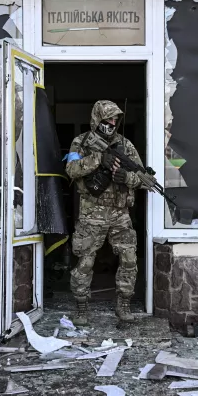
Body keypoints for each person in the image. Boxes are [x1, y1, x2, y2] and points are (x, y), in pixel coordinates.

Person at [65, 100, 145, 326]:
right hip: (92, 213)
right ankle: (81, 306)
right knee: (86, 261)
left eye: (115, 119)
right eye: (107, 119)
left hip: (120, 212)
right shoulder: (81, 142)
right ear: (97, 119)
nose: (112, 123)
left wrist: (126, 178)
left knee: (129, 259)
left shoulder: (125, 145)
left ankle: (124, 303)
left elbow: (143, 178)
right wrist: (99, 159)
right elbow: (71, 170)